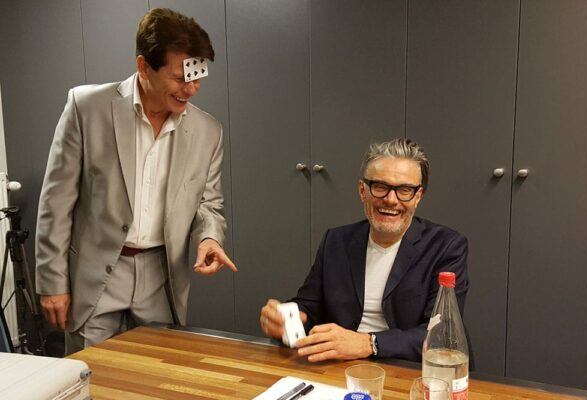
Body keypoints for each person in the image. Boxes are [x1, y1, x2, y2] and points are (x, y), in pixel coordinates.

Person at [35, 8, 236, 354]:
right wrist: (52, 281)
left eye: (198, 77)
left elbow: (208, 203)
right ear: (144, 66)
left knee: (158, 373)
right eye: (180, 78)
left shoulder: (208, 131)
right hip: (96, 275)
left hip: (162, 276)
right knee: (91, 374)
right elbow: (57, 202)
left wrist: (209, 237)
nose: (191, 89)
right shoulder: (87, 108)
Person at [259, 138, 468, 362]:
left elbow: (441, 333)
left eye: (405, 190)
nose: (391, 200)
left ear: (417, 197)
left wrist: (369, 343)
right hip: (339, 366)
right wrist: (285, 320)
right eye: (380, 187)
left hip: (410, 370)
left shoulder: (446, 247)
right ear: (362, 190)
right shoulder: (336, 241)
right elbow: (309, 308)